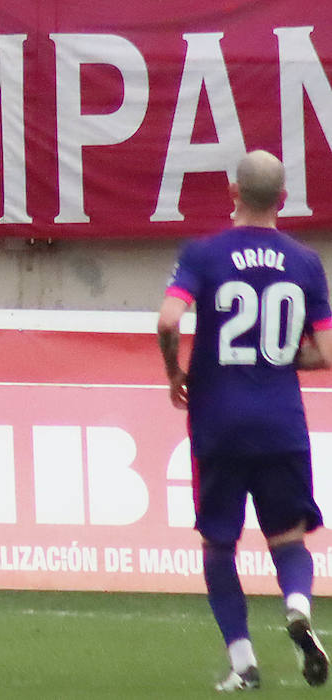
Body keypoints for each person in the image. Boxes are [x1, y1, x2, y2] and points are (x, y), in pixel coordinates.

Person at [157, 150, 332, 692]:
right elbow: (324, 351)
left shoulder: (204, 254)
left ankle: (242, 662)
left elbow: (168, 319)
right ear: (282, 199)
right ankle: (299, 606)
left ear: (233, 193)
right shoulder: (306, 263)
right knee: (288, 537)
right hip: (281, 422)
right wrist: (274, 356)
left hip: (219, 421)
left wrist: (175, 372)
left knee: (219, 545)